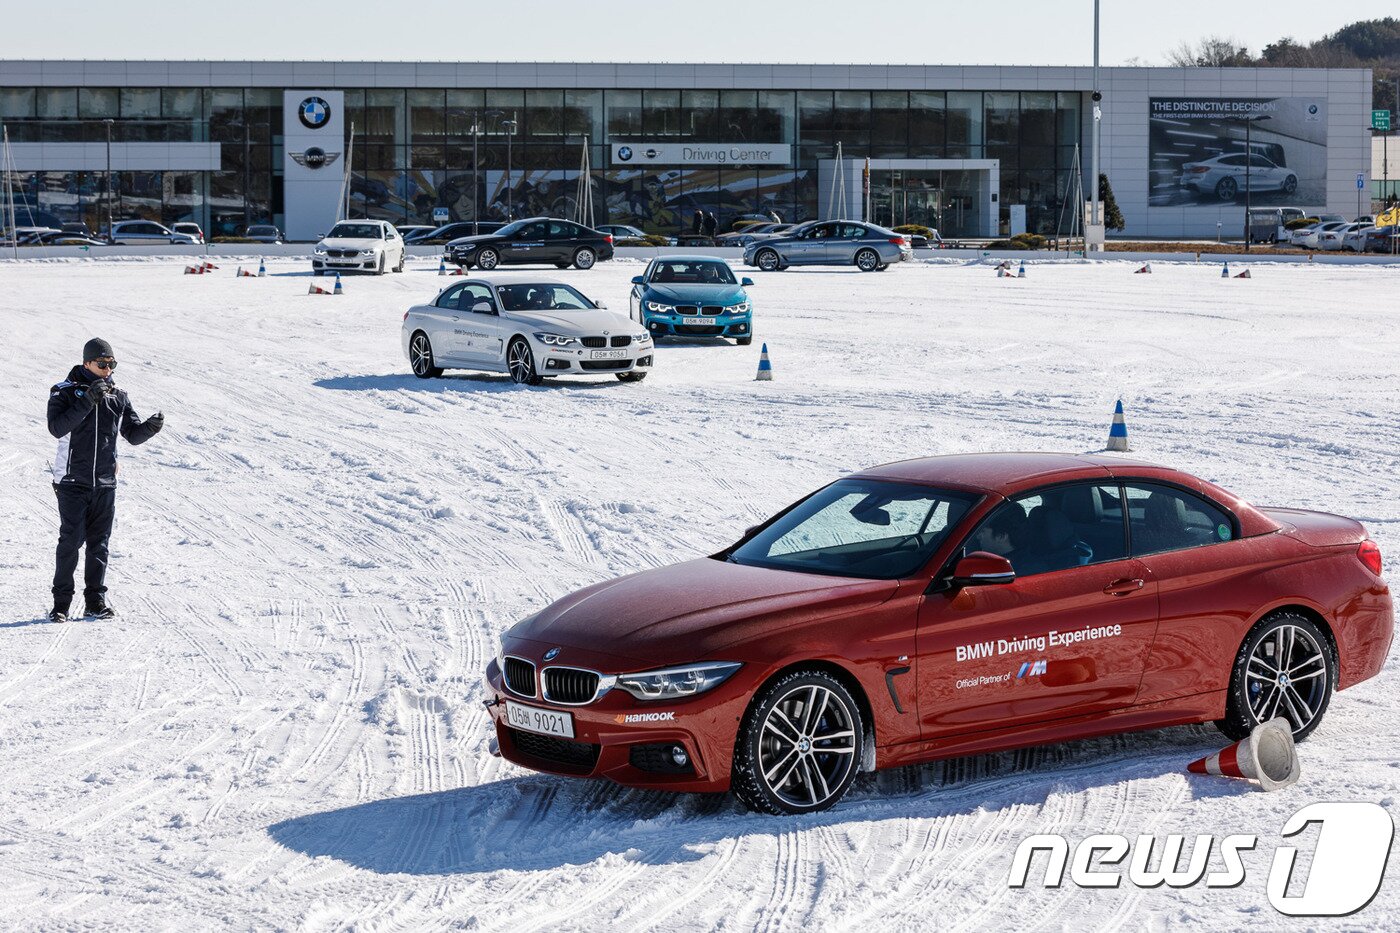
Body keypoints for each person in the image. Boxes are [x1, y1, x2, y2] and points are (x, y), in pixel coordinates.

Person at [46, 338, 163, 623]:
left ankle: (95, 603)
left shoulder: (118, 395)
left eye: (111, 364)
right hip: (72, 481)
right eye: (102, 364)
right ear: (87, 363)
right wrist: (87, 400)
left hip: (105, 483)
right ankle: (61, 605)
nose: (108, 369)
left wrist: (149, 428)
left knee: (99, 544)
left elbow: (131, 434)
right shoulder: (64, 391)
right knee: (70, 543)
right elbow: (56, 427)